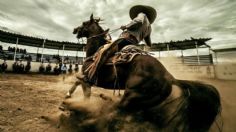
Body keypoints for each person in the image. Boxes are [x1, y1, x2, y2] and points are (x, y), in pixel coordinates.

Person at [85, 5, 157, 80]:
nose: (137, 15)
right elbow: (148, 43)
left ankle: (92, 75)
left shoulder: (142, 14)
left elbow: (138, 21)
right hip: (134, 44)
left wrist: (126, 26)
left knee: (104, 51)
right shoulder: (149, 28)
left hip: (125, 40)